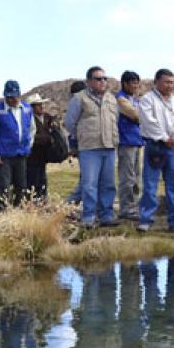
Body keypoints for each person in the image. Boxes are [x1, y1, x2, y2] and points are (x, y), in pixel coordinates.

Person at [137, 69, 174, 233]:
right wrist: (164, 137)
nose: (170, 85)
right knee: (150, 184)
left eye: (172, 82)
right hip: (155, 146)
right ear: (156, 82)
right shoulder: (147, 100)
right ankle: (146, 220)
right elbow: (149, 122)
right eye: (166, 82)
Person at [65, 66, 120, 228]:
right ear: (89, 82)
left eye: (104, 78)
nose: (102, 82)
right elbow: (70, 122)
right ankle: (88, 217)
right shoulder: (79, 99)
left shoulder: (111, 98)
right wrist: (82, 136)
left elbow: (115, 119)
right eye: (98, 79)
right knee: (89, 184)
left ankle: (106, 216)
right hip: (89, 148)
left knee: (108, 184)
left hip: (109, 146)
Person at [0, 80, 37, 212]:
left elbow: (32, 130)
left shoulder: (27, 109)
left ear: (19, 95)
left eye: (14, 96)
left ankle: (18, 214)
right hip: (3, 157)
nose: (11, 100)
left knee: (21, 187)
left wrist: (28, 146)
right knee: (3, 188)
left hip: (21, 155)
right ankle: (1, 216)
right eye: (8, 97)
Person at [115, 71, 144, 220]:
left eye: (136, 82)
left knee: (136, 176)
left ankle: (134, 206)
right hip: (126, 141)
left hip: (136, 140)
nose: (135, 86)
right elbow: (137, 116)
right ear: (124, 83)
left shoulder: (134, 99)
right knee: (127, 177)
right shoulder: (121, 99)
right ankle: (126, 208)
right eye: (132, 82)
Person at [25, 93, 55, 202]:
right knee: (32, 180)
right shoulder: (27, 119)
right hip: (32, 155)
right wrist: (46, 138)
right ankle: (32, 202)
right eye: (38, 105)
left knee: (42, 179)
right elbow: (28, 136)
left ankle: (42, 201)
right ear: (32, 107)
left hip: (43, 155)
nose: (41, 107)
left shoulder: (47, 118)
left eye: (41, 104)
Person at [65, 80, 86, 205]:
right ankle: (69, 203)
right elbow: (71, 126)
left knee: (86, 177)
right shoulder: (78, 104)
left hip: (81, 144)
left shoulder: (75, 105)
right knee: (87, 178)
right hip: (84, 144)